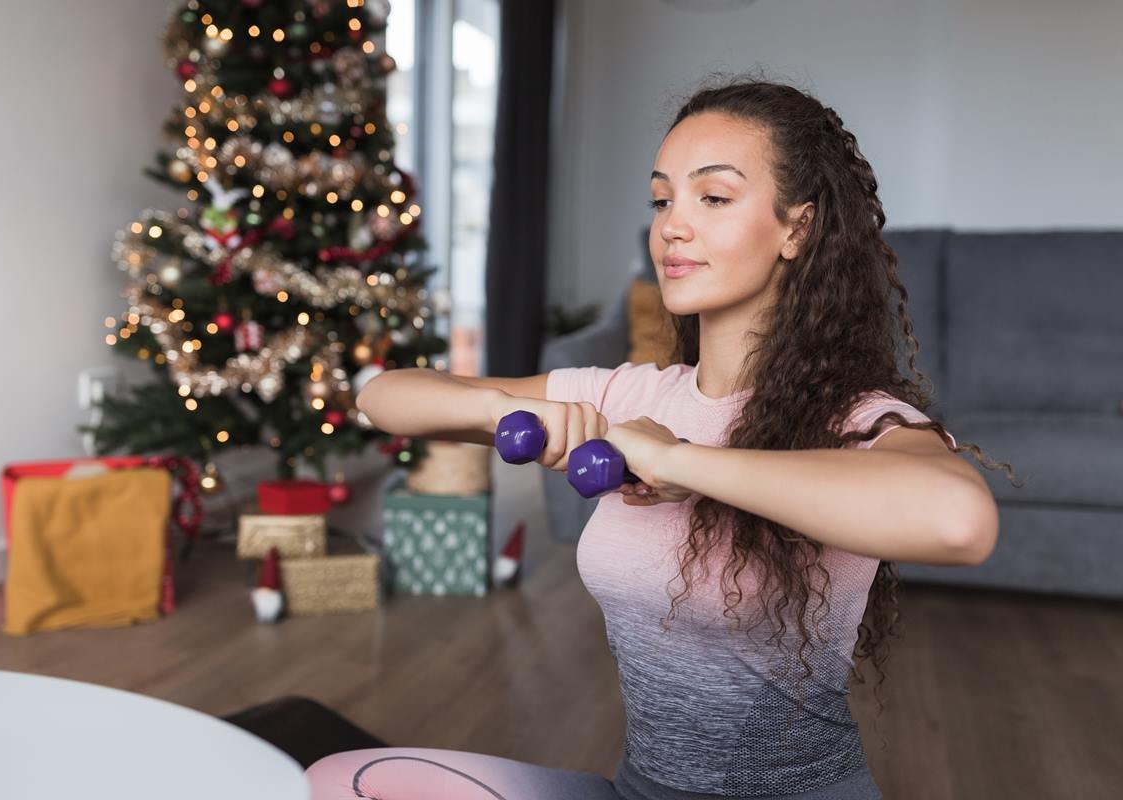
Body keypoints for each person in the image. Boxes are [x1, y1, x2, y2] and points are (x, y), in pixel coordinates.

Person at [306, 73, 1016, 800]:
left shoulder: (856, 420)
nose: (672, 224)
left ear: (797, 228)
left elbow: (961, 521)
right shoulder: (630, 394)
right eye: (661, 199)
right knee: (342, 783)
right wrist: (506, 412)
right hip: (640, 790)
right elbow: (381, 397)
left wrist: (681, 460)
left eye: (713, 197)